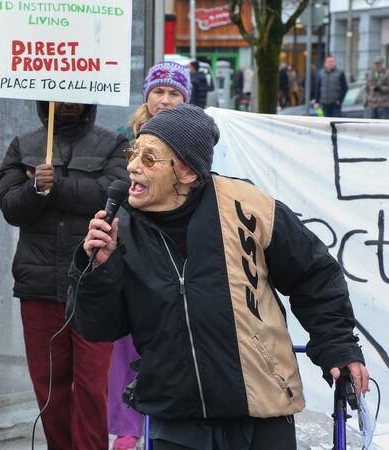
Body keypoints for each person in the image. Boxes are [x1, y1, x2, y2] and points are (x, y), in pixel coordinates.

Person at [70, 103, 369, 450]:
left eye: (149, 159)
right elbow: (98, 328)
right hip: (176, 416)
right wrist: (95, 271)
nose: (133, 167)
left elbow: (313, 274)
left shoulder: (246, 205)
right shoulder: (120, 227)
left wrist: (337, 345)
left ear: (186, 171)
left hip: (262, 410)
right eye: (133, 153)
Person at [0, 100, 127, 450]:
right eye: (58, 96)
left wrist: (53, 187)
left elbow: (112, 193)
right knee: (49, 387)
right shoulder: (23, 144)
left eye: (74, 96)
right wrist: (33, 189)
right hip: (39, 288)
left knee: (91, 388)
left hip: (94, 287)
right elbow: (10, 207)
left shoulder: (113, 143)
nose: (66, 102)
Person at [110, 60, 192, 450]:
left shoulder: (196, 139)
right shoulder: (125, 138)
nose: (165, 99)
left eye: (174, 93)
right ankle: (128, 426)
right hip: (134, 245)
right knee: (127, 341)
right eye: (159, 91)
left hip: (178, 250)